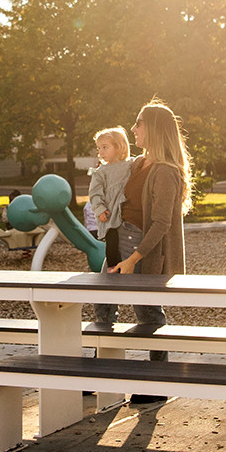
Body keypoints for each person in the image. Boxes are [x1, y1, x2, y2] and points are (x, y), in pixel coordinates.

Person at [107, 100, 193, 403]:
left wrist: (132, 259)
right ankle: (99, 372)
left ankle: (159, 382)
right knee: (102, 305)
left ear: (154, 128)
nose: (133, 129)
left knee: (148, 314)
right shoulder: (138, 164)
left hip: (144, 253)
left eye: (139, 122)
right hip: (120, 245)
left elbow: (160, 225)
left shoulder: (166, 171)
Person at [89, 126, 134, 326]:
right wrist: (99, 208)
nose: (101, 152)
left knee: (121, 243)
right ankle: (112, 271)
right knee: (112, 245)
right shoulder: (101, 172)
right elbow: (95, 193)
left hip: (125, 216)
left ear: (119, 146)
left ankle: (115, 273)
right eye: (99, 148)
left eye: (105, 147)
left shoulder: (130, 165)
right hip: (110, 216)